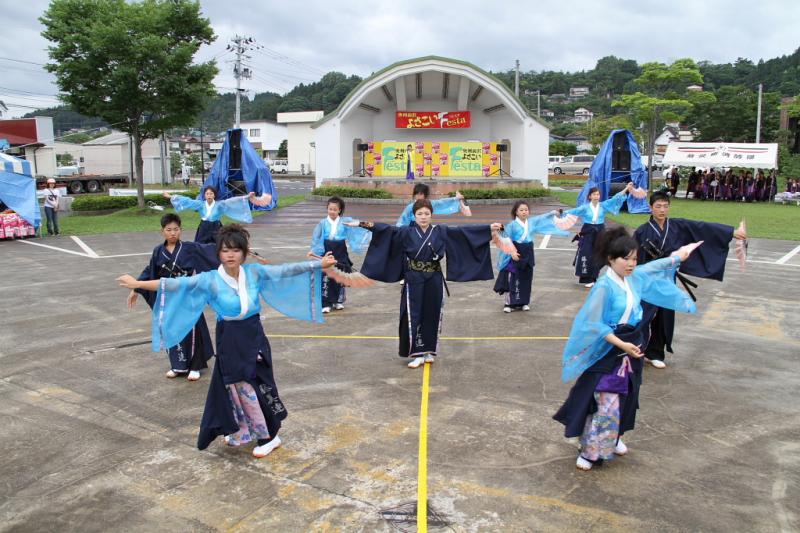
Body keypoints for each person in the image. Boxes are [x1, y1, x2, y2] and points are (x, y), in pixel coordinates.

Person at [116, 224, 337, 456]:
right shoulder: (210, 279)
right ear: (218, 253)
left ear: (243, 252)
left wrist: (319, 264)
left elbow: (286, 270)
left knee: (256, 385)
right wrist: (138, 284)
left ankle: (271, 436)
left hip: (253, 336)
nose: (230, 255)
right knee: (234, 387)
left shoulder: (254, 272)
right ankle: (243, 431)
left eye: (235, 250)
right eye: (225, 250)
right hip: (228, 337)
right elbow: (174, 284)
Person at [553, 227, 700, 471]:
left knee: (628, 396)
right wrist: (622, 345)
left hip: (633, 345)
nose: (632, 264)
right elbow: (593, 323)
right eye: (626, 259)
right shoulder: (604, 286)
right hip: (610, 348)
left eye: (634, 258)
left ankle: (615, 436)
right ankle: (591, 451)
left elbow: (654, 267)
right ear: (611, 259)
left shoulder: (633, 277)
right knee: (606, 400)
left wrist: (679, 255)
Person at [354, 200, 503, 369]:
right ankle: (417, 354)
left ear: (431, 215)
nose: (423, 217)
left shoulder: (441, 231)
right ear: (414, 215)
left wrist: (488, 229)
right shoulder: (406, 232)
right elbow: (386, 230)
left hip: (434, 278)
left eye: (427, 213)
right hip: (414, 278)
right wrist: (361, 224)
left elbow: (463, 232)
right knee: (414, 314)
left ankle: (429, 351)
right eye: (420, 214)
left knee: (432, 313)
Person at [633, 191, 746, 369]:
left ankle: (654, 353)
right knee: (642, 316)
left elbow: (702, 228)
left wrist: (732, 232)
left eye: (665, 206)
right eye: (658, 206)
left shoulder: (677, 226)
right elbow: (633, 257)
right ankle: (635, 351)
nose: (662, 210)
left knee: (664, 317)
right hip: (647, 281)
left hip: (667, 280)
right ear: (650, 207)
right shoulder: (642, 231)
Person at [128, 213, 220, 381]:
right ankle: (178, 365)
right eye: (168, 230)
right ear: (162, 231)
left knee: (192, 328)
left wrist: (236, 247)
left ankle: (195, 366)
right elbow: (150, 270)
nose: (172, 233)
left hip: (187, 295)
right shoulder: (158, 251)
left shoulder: (190, 248)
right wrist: (136, 287)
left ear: (181, 230)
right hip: (168, 298)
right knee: (171, 328)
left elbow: (211, 250)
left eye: (176, 229)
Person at [493, 201, 569, 313]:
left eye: (526, 210)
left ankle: (524, 302)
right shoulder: (512, 225)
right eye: (521, 210)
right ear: (516, 212)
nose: (524, 212)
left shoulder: (531, 222)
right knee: (513, 278)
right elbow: (505, 238)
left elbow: (541, 218)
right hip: (516, 252)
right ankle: (509, 303)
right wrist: (512, 252)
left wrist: (552, 213)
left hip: (528, 252)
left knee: (526, 278)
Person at [561, 182, 634, 288]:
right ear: (589, 196)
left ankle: (594, 277)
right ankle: (588, 278)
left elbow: (616, 198)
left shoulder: (603, 206)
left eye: (598, 194)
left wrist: (626, 188)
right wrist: (561, 212)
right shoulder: (585, 208)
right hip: (588, 232)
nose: (596, 196)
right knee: (586, 254)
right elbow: (573, 211)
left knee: (601, 254)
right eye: (594, 194)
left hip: (600, 232)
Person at [309, 196, 371, 313]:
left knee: (340, 275)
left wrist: (365, 227)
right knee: (326, 276)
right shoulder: (322, 223)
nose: (332, 211)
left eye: (335, 209)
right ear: (327, 209)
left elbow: (356, 228)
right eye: (330, 209)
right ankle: (325, 303)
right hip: (327, 249)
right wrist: (317, 252)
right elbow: (316, 238)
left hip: (340, 249)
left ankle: (338, 300)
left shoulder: (344, 221)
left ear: (340, 210)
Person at [164, 187, 272, 244]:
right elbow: (187, 201)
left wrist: (247, 196)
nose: (209, 195)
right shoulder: (200, 204)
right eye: (207, 193)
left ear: (214, 195)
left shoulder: (220, 205)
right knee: (199, 247)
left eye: (211, 193)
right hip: (204, 227)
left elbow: (232, 201)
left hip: (216, 227)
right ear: (204, 195)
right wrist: (171, 197)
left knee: (220, 247)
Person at [396, 183, 468, 227]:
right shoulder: (410, 207)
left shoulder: (430, 204)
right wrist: (399, 228)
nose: (417, 196)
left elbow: (442, 202)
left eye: (420, 194)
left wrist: (455, 199)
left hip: (425, 228)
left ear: (425, 195)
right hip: (412, 229)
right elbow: (402, 220)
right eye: (416, 194)